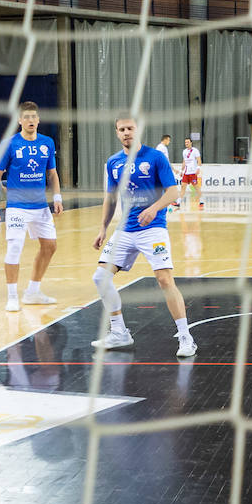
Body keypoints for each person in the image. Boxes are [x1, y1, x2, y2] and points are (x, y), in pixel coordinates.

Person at [91, 116, 196, 358]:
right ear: (117, 133)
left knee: (164, 280)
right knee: (100, 277)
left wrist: (154, 208)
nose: (126, 132)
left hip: (153, 228)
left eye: (130, 128)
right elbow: (111, 198)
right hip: (125, 230)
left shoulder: (155, 157)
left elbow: (173, 192)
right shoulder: (113, 162)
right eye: (122, 129)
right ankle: (119, 333)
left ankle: (185, 337)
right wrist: (103, 228)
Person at [0, 101, 64, 312]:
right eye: (26, 117)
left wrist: (57, 197)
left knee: (50, 246)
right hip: (17, 206)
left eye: (34, 117)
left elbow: (52, 173)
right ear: (19, 120)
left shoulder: (47, 142)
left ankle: (33, 292)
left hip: (40, 206)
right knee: (15, 246)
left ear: (38, 120)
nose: (30, 120)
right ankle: (12, 296)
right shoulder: (10, 144)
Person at [179, 137, 203, 209]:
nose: (186, 143)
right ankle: (178, 202)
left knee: (196, 187)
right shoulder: (184, 151)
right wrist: (181, 171)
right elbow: (184, 162)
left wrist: (198, 168)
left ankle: (201, 201)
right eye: (185, 142)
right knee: (183, 187)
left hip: (193, 173)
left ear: (191, 143)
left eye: (188, 142)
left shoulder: (195, 150)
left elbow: (199, 161)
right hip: (186, 173)